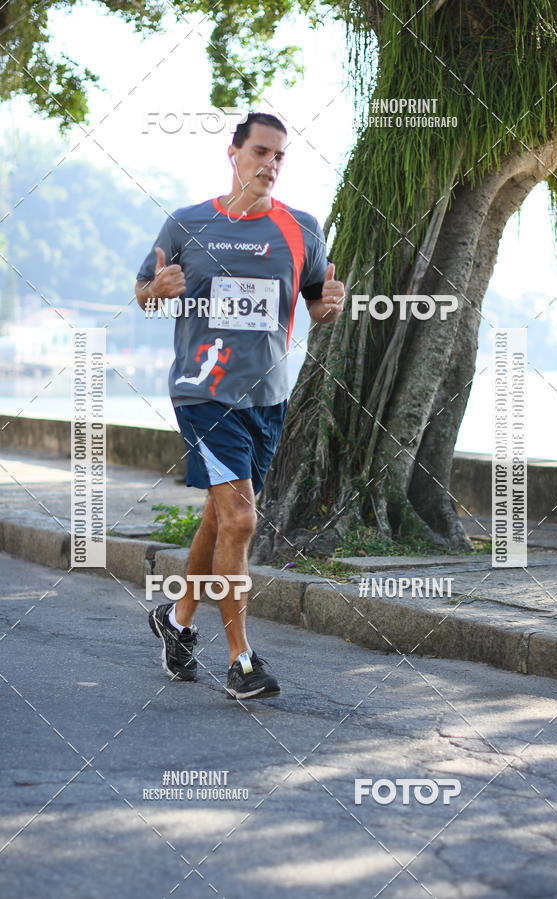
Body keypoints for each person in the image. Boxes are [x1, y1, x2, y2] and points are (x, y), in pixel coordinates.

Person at [135, 112, 345, 699]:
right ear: (233, 153)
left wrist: (330, 304)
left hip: (267, 397)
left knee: (220, 515)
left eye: (279, 156)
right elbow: (144, 292)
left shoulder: (302, 229)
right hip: (204, 392)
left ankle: (177, 621)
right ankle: (241, 661)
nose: (270, 164)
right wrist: (156, 291)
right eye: (260, 152)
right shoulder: (188, 223)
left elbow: (316, 305)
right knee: (243, 519)